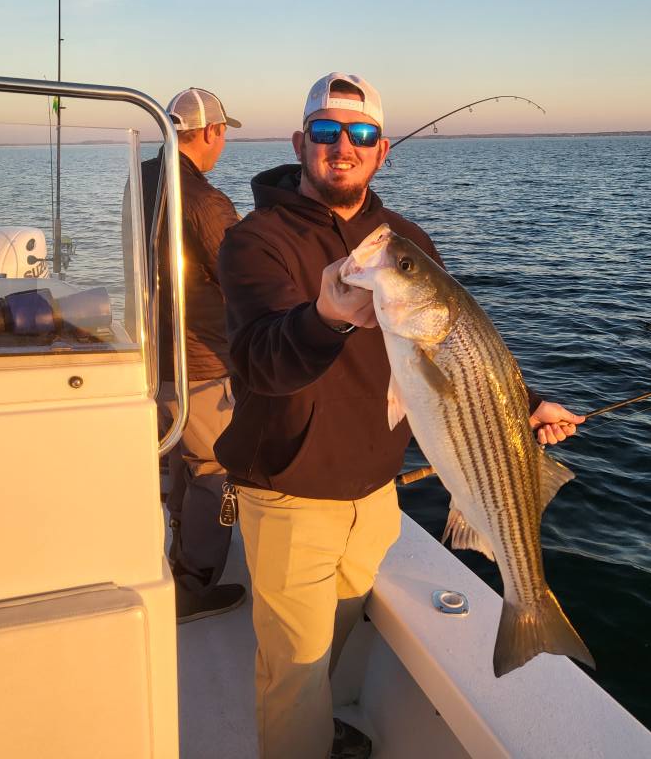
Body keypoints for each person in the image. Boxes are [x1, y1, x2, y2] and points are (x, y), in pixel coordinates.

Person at [215, 72, 583, 759]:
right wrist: (325, 316)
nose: (342, 147)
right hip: (291, 494)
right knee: (292, 676)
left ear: (381, 151)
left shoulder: (402, 239)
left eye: (360, 135)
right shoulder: (255, 241)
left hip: (377, 496)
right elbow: (261, 360)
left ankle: (319, 730)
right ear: (301, 143)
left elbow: (462, 349)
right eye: (326, 133)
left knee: (332, 647)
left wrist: (527, 406)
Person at [142, 86, 246, 622]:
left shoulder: (140, 180)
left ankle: (174, 558)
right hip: (202, 364)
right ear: (210, 133)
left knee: (179, 458)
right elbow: (245, 282)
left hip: (153, 358)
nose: (223, 142)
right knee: (212, 468)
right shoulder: (206, 202)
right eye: (223, 132)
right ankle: (193, 584)